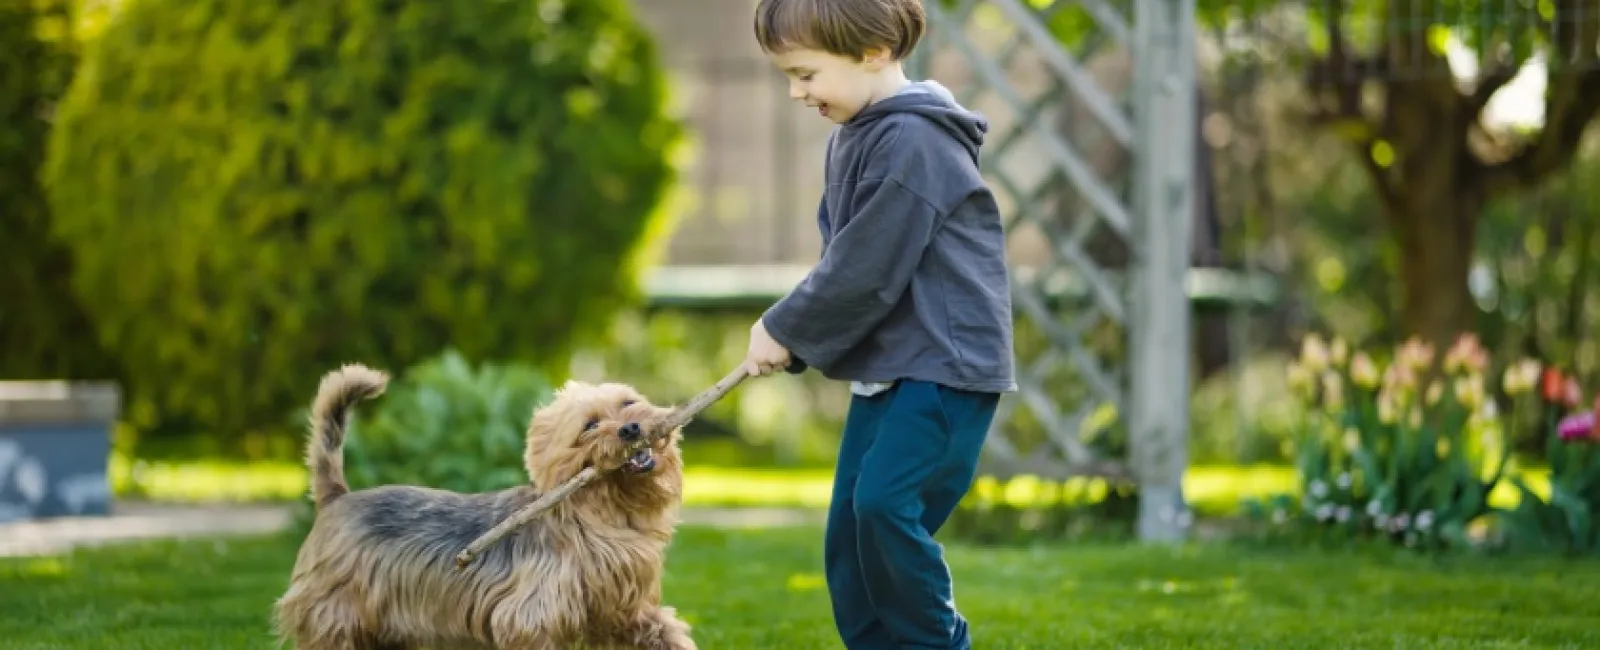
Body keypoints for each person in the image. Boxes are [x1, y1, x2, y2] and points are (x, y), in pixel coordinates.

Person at [742, 0, 1017, 648]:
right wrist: (800, 331)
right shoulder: (858, 136)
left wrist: (787, 327)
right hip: (893, 366)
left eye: (806, 74)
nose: (795, 91)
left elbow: (866, 267)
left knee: (885, 509)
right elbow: (843, 257)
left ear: (873, 52)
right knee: (849, 531)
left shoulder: (915, 140)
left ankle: (935, 643)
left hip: (944, 367)